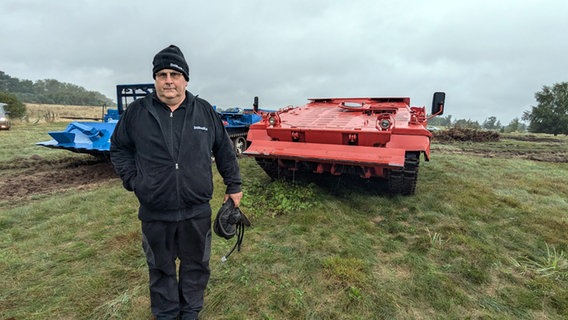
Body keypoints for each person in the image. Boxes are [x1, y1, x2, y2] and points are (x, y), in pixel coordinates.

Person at [110, 44, 243, 320]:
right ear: (155, 79)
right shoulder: (137, 113)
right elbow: (119, 148)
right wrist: (134, 181)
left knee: (196, 266)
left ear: (185, 79)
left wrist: (234, 186)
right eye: (162, 74)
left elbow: (224, 151)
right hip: (155, 211)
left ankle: (190, 312)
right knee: (160, 268)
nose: (168, 80)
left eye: (174, 74)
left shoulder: (204, 112)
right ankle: (167, 314)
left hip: (196, 211)